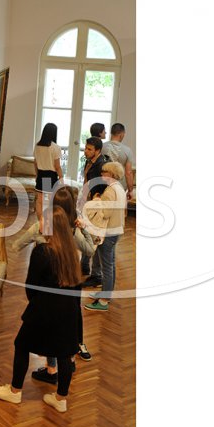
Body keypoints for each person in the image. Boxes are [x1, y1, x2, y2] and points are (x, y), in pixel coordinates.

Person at [0, 206, 82, 413]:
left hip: (44, 310)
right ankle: (61, 398)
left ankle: (15, 391)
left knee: (21, 345)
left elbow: (31, 286)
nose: (39, 222)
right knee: (64, 354)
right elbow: (77, 287)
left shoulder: (42, 252)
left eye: (42, 220)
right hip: (69, 312)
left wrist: (36, 305)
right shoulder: (72, 253)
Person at [84, 162, 127, 312]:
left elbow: (106, 213)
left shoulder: (110, 190)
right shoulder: (119, 187)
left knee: (107, 266)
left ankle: (103, 301)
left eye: (105, 172)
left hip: (108, 231)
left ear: (112, 174)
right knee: (110, 265)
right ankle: (106, 293)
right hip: (117, 230)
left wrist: (97, 201)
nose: (102, 174)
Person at [79, 136, 107, 279]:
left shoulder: (102, 165)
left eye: (89, 149)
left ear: (98, 151)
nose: (86, 151)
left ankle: (95, 272)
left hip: (97, 205)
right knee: (86, 232)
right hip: (88, 201)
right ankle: (84, 265)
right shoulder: (89, 161)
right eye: (86, 148)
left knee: (93, 235)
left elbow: (104, 186)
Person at [33, 123, 63, 218]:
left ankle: (40, 222)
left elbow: (35, 163)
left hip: (41, 174)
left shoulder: (37, 145)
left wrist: (37, 175)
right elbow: (57, 166)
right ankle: (48, 223)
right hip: (50, 176)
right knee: (50, 202)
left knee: (39, 201)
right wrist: (61, 177)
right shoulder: (55, 147)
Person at [101, 123, 135, 200]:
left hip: (103, 184)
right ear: (121, 134)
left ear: (111, 132)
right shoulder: (127, 151)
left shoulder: (101, 146)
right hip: (119, 186)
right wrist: (130, 190)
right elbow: (128, 173)